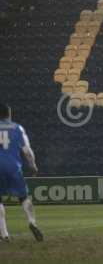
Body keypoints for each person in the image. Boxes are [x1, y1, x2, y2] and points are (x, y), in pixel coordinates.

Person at [0, 103, 43, 242]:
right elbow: (27, 151)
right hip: (13, 167)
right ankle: (32, 222)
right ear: (9, 114)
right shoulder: (18, 128)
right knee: (24, 197)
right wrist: (33, 165)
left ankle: (4, 234)